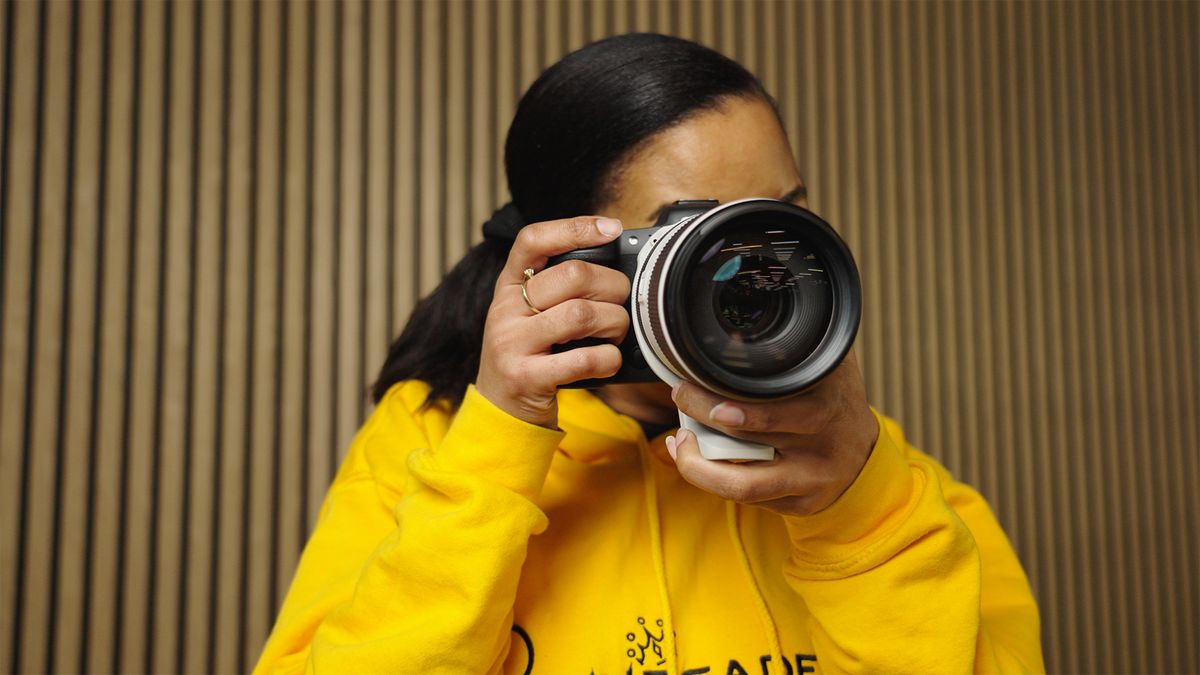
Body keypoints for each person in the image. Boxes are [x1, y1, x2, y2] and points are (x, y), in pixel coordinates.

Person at [255, 33, 1044, 674]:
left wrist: (858, 513)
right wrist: (497, 447)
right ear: (579, 259)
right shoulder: (433, 441)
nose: (754, 267)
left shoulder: (878, 477)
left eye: (779, 219)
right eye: (696, 233)